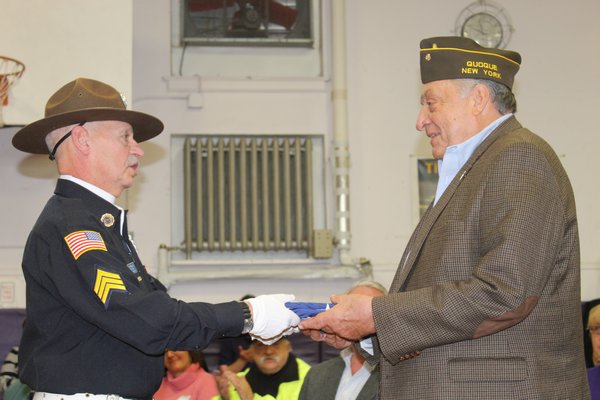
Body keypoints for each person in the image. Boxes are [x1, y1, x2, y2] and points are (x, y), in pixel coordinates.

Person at [299, 36, 589, 399]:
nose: (421, 121)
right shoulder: (481, 167)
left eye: (431, 104)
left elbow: (505, 294)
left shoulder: (518, 158)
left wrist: (377, 315)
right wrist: (367, 332)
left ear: (479, 99)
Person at [11, 77, 301, 400]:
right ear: (81, 139)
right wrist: (249, 315)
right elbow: (151, 322)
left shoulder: (95, 224)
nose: (138, 149)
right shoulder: (74, 228)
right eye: (125, 136)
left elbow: (157, 308)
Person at [298, 281, 386, 400]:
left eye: (369, 313)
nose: (359, 319)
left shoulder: (398, 374)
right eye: (353, 311)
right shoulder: (317, 374)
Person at [215, 337, 310, 400]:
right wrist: (224, 398)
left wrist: (250, 398)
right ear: (252, 351)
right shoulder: (239, 381)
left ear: (288, 347)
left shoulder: (310, 379)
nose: (268, 351)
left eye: (275, 344)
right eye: (260, 345)